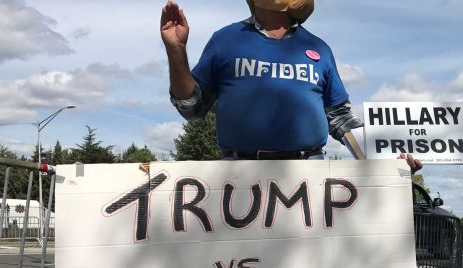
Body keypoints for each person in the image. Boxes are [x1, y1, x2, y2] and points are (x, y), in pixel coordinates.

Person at [160, 0, 422, 172]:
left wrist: (386, 162)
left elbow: (341, 119)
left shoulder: (318, 49)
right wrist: (176, 50)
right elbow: (192, 108)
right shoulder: (225, 40)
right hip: (239, 174)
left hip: (308, 174)